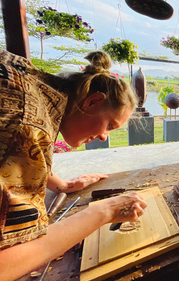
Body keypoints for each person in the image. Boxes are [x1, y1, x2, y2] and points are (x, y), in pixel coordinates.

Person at [0, 49, 147, 280]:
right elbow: (6, 263)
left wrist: (62, 184)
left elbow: (8, 153)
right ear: (92, 101)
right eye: (109, 125)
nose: (104, 137)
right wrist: (105, 211)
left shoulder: (29, 82)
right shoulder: (27, 125)